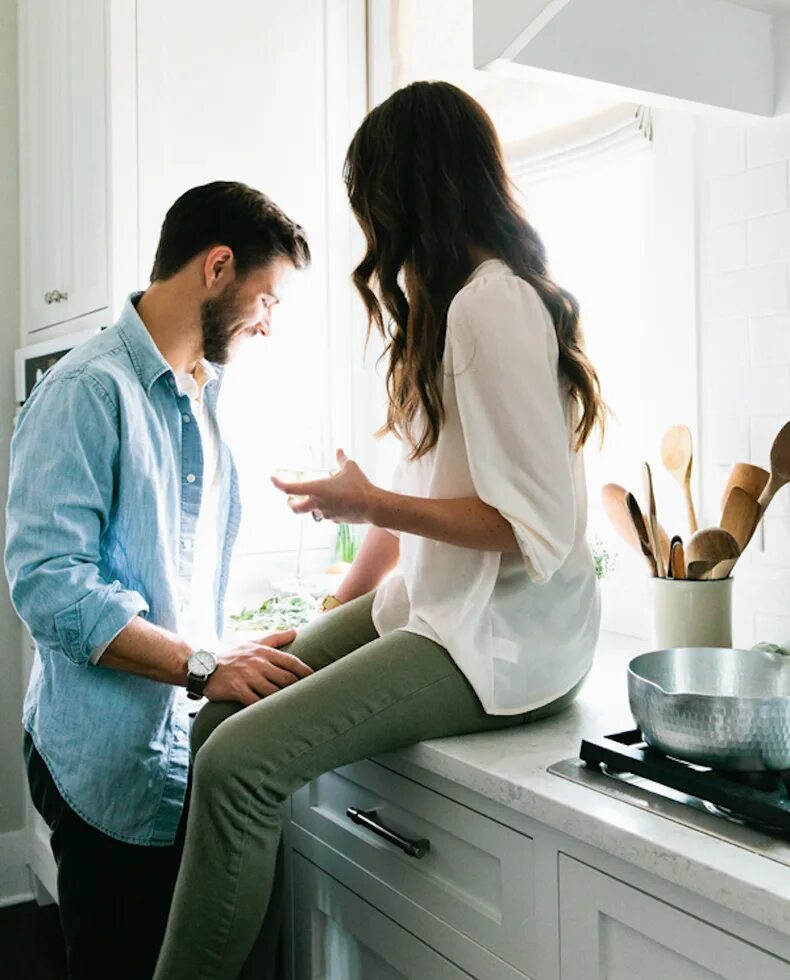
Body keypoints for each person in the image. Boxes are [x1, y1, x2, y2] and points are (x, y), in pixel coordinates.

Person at [152, 81, 605, 980]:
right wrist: (335, 610)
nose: (371, 228)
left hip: (505, 644)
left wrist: (368, 507)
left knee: (239, 767)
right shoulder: (450, 307)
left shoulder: (491, 304)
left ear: (408, 190)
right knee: (224, 716)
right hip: (442, 611)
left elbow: (535, 528)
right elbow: (417, 496)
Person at [4, 181, 313, 980]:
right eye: (267, 299)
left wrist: (217, 645)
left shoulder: (199, 396)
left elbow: (165, 572)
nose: (268, 323)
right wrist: (203, 666)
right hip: (101, 762)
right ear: (217, 267)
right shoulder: (86, 391)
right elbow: (48, 584)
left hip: (167, 748)